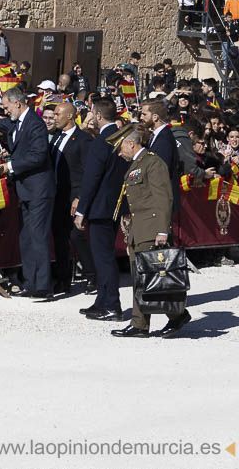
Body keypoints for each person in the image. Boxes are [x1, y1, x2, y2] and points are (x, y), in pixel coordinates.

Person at [0, 87, 55, 297]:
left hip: (39, 189)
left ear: (18, 103)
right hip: (25, 189)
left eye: (6, 107)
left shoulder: (35, 124)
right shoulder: (15, 122)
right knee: (25, 237)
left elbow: (38, 156)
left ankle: (43, 286)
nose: (5, 111)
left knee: (38, 236)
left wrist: (10, 167)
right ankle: (31, 283)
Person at [111, 125, 190, 339]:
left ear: (131, 143)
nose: (119, 153)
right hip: (140, 228)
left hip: (152, 228)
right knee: (142, 277)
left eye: (121, 148)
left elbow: (163, 197)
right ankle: (157, 320)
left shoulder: (152, 162)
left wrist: (163, 230)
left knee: (151, 277)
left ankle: (158, 320)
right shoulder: (137, 164)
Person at [75, 99, 129, 321]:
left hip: (100, 206)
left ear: (97, 115)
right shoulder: (119, 138)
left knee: (103, 257)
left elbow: (92, 178)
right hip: (113, 204)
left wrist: (81, 210)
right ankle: (102, 300)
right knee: (102, 256)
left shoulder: (101, 142)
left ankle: (112, 304)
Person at [50, 101, 91, 294]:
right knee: (59, 238)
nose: (54, 117)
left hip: (73, 195)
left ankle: (92, 274)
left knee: (76, 236)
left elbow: (88, 171)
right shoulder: (56, 138)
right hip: (57, 195)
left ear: (69, 116)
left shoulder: (83, 140)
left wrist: (80, 197)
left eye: (58, 114)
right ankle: (63, 279)